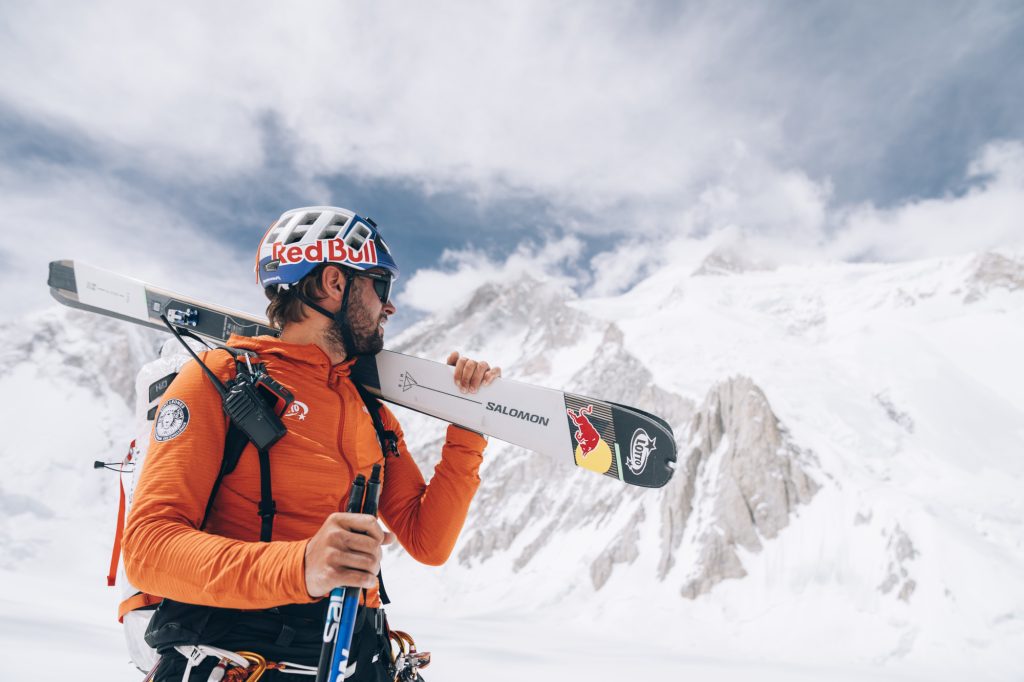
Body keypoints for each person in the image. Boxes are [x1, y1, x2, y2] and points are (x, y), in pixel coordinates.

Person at [123, 206, 500, 681]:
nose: (390, 306)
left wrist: (468, 425)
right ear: (333, 283)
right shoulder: (220, 380)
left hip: (356, 653)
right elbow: (148, 550)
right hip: (241, 654)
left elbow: (428, 541)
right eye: (380, 285)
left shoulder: (371, 413)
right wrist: (302, 565)